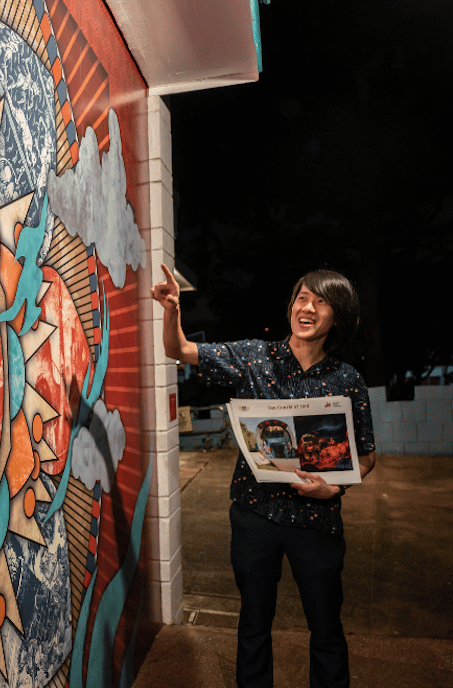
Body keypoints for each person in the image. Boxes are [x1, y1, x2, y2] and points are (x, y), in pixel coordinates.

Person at [151, 263, 376, 688]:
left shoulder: (348, 380)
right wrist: (171, 309)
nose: (307, 307)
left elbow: (366, 457)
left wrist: (335, 487)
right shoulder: (254, 357)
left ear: (338, 316)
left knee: (326, 629)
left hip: (318, 522)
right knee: (254, 623)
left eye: (321, 301)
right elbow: (179, 349)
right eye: (302, 298)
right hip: (256, 515)